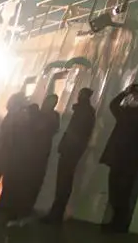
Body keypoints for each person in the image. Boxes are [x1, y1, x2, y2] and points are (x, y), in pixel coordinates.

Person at [102, 82, 138, 233]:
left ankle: (119, 222)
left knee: (121, 191)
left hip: (125, 159)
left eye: (135, 97)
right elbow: (113, 105)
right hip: (126, 159)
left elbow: (114, 105)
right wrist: (128, 92)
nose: (133, 99)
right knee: (119, 191)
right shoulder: (130, 114)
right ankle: (118, 221)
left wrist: (132, 92)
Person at [4, 93, 60, 224]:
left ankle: (20, 210)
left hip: (34, 156)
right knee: (26, 183)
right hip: (33, 155)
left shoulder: (44, 116)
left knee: (28, 183)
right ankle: (19, 209)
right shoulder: (49, 116)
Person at [45, 88, 98, 223]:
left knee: (63, 182)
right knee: (65, 181)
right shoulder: (87, 111)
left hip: (70, 151)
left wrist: (64, 145)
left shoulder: (82, 111)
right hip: (73, 151)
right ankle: (57, 212)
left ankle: (56, 213)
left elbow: (75, 132)